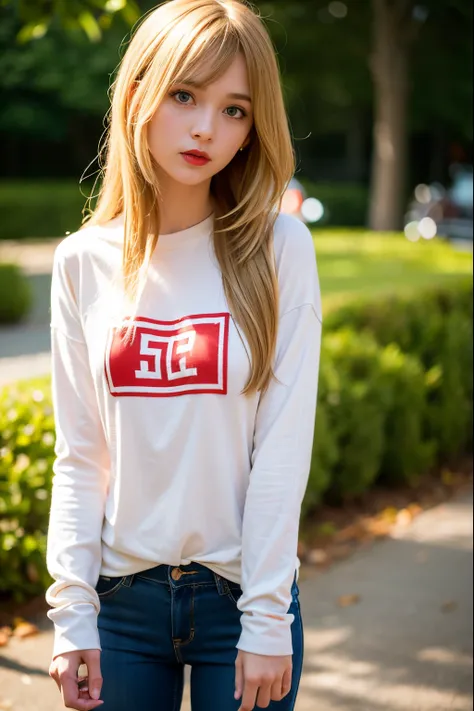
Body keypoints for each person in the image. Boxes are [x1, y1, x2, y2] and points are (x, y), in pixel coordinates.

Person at [45, 1, 322, 709]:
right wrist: (72, 614)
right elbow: (80, 456)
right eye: (185, 95)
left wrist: (266, 616)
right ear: (139, 94)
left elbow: (282, 448)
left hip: (242, 599)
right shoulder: (82, 262)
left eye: (235, 110)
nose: (207, 128)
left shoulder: (279, 247)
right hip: (121, 606)